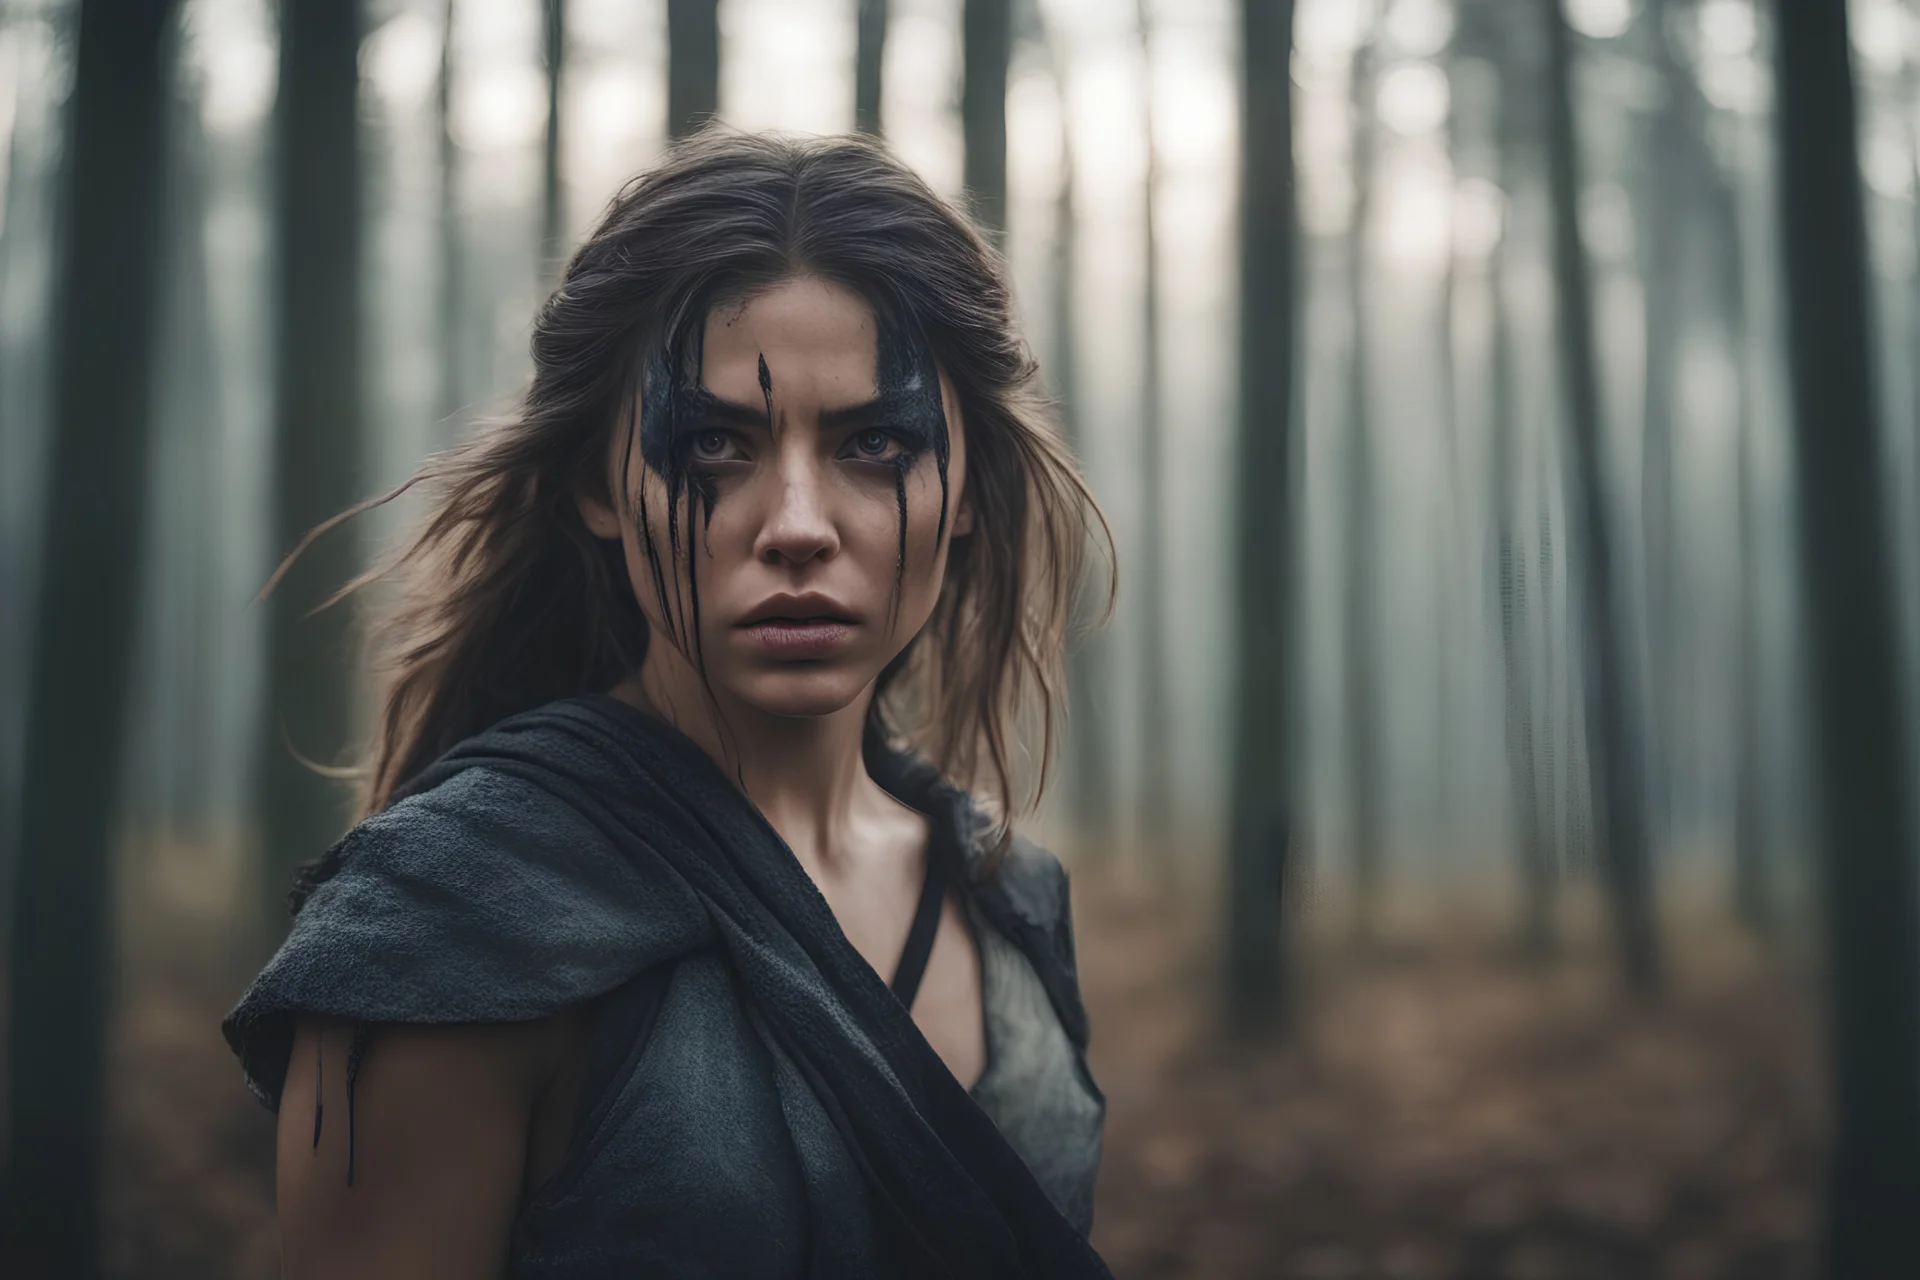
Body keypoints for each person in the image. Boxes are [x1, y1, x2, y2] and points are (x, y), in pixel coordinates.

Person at [223, 129, 1115, 1278]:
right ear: (601, 481)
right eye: (713, 444)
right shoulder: (444, 928)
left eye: (875, 440)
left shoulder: (1012, 898)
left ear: (966, 490)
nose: (797, 522)